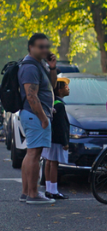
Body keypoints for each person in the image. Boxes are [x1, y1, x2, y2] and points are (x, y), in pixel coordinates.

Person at [19, 33, 57, 205]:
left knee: (31, 153)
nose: (45, 49)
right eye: (40, 46)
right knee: (35, 154)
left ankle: (26, 192)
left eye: (46, 46)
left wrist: (52, 67)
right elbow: (31, 96)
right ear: (31, 47)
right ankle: (33, 194)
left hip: (33, 115)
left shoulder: (39, 64)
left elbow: (52, 86)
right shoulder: (30, 67)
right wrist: (43, 118)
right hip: (35, 115)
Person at [42, 77, 70, 200]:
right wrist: (65, 141)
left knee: (48, 162)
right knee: (54, 163)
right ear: (59, 90)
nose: (68, 89)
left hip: (48, 137)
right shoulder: (60, 106)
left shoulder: (51, 103)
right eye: (66, 87)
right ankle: (53, 190)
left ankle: (48, 189)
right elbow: (61, 126)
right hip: (56, 139)